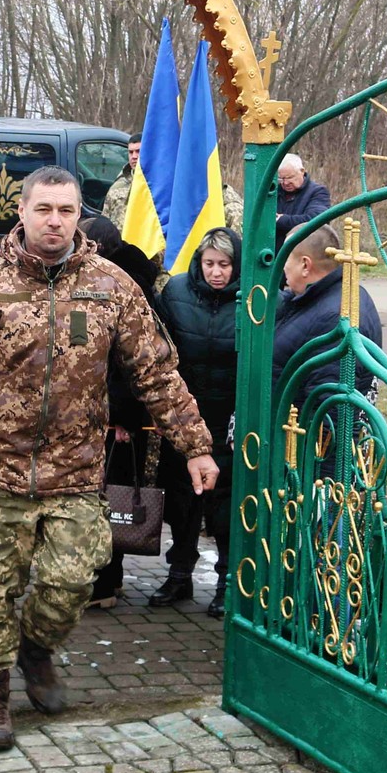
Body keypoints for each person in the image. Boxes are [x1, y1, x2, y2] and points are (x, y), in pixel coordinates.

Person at [0, 166, 217, 753]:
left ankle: (36, 646)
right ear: (23, 213)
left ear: (77, 215)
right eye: (43, 210)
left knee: (70, 583)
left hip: (75, 473)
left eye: (65, 210)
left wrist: (196, 445)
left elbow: (157, 372)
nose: (54, 221)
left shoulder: (111, 286)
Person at [78, 215, 169, 610]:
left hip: (117, 417)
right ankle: (104, 583)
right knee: (105, 498)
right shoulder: (133, 282)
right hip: (113, 415)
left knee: (105, 500)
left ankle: (102, 585)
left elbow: (128, 363)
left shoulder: (126, 289)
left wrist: (122, 419)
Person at [151, 227, 241, 616]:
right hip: (184, 416)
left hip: (229, 417)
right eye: (209, 264)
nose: (216, 272)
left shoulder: (252, 298)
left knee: (224, 507)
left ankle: (226, 580)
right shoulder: (176, 292)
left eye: (224, 264)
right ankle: (180, 574)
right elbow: (159, 352)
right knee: (183, 500)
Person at [271, 222, 384, 409]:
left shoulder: (333, 317)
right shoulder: (325, 297)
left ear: (305, 265)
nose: (281, 266)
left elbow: (330, 412)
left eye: (286, 258)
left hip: (296, 435)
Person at [274, 154, 332, 233]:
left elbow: (316, 220)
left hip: (302, 244)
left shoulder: (318, 192)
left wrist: (281, 220)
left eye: (290, 177)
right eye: (281, 178)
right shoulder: (274, 191)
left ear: (302, 171)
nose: (286, 183)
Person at [101, 134, 140, 228]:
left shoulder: (156, 187)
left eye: (138, 151)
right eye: (131, 152)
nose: (134, 156)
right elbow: (105, 219)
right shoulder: (119, 185)